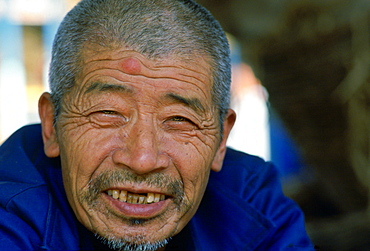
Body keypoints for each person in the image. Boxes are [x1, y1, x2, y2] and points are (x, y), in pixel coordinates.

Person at [0, 0, 314, 250]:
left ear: (221, 140)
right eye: (108, 113)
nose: (143, 160)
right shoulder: (10, 217)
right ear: (52, 125)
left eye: (180, 120)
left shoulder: (250, 202)